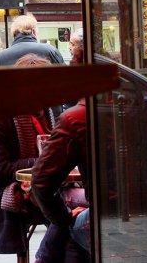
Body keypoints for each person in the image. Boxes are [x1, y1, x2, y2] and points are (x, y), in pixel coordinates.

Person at [0, 54, 53, 258]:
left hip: (40, 186)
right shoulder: (0, 117)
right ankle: (46, 257)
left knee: (74, 209)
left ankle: (48, 255)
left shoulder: (45, 112)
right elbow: (1, 171)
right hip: (6, 192)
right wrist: (42, 162)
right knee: (63, 211)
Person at [31, 98, 90, 263]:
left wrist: (65, 219)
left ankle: (42, 259)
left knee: (69, 223)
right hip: (142, 212)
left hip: (110, 215)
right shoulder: (145, 107)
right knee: (68, 210)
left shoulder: (75, 118)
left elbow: (41, 182)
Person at [0, 13, 64, 66]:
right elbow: (65, 75)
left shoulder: (0, 58)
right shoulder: (51, 51)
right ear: (34, 32)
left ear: (14, 34)